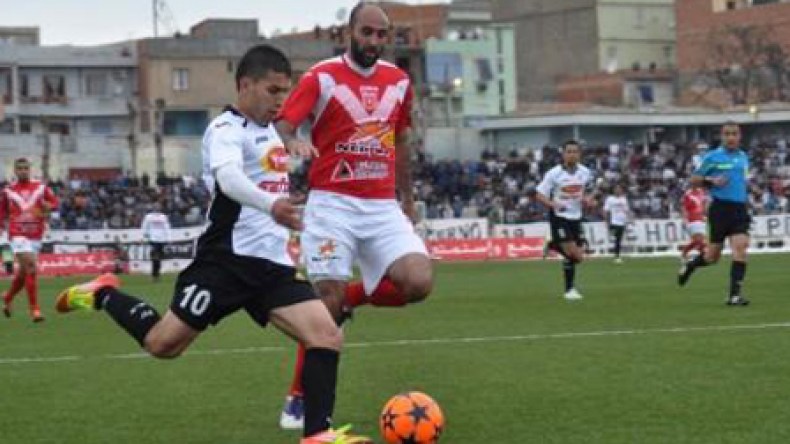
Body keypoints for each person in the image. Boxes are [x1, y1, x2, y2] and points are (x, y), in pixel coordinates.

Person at [54, 44, 371, 444]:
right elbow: (229, 180)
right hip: (226, 262)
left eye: (284, 92)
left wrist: (293, 146)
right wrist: (271, 204)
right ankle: (102, 293)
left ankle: (318, 434)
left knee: (327, 335)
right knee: (163, 344)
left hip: (272, 265)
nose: (281, 101)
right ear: (245, 84)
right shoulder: (223, 130)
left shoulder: (270, 132)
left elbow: (270, 161)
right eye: (273, 91)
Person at [274, 2, 433, 430]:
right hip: (332, 205)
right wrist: (290, 144)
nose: (375, 42)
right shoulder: (322, 76)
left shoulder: (400, 82)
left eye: (383, 35)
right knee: (325, 306)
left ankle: (354, 296)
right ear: (350, 32)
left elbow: (399, 142)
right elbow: (284, 123)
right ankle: (299, 398)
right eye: (367, 33)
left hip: (381, 206)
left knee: (418, 281)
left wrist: (408, 197)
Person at [678, 121, 751, 306]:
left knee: (740, 249)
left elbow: (741, 182)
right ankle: (691, 265)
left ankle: (734, 295)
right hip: (720, 209)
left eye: (734, 133)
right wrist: (711, 181)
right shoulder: (713, 157)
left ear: (739, 136)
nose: (731, 137)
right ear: (722, 136)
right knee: (712, 257)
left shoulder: (743, 157)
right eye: (727, 134)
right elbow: (694, 179)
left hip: (739, 209)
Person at [0, 158, 59, 322]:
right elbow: (2, 211)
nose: (23, 171)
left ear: (30, 170)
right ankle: (35, 310)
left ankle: (8, 297)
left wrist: (50, 207)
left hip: (36, 234)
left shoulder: (41, 187)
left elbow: (55, 202)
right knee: (32, 267)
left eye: (25, 168)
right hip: (17, 233)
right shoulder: (8, 190)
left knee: (24, 272)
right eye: (20, 169)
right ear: (15, 171)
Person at [535, 140, 595, 300]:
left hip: (576, 216)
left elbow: (589, 193)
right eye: (569, 151)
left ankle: (553, 245)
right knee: (572, 254)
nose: (572, 154)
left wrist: (589, 200)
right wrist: (553, 204)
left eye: (575, 151)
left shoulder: (585, 172)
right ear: (563, 154)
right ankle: (569, 290)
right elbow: (539, 195)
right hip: (559, 217)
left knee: (579, 257)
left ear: (579, 154)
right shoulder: (554, 174)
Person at [141, 204, 172, 281]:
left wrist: (168, 238)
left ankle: (156, 275)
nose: (157, 208)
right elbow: (144, 227)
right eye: (156, 207)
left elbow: (167, 228)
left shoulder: (163, 217)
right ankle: (154, 275)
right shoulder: (149, 217)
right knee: (155, 257)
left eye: (158, 207)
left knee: (159, 258)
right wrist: (143, 236)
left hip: (162, 240)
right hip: (153, 239)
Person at [679, 183, 709, 261]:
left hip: (701, 219)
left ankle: (686, 253)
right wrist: (684, 219)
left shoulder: (701, 193)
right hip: (692, 219)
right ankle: (702, 254)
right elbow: (684, 208)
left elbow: (704, 205)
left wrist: (705, 215)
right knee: (699, 240)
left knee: (698, 240)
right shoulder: (688, 195)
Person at [603, 184, 632, 264]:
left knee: (618, 239)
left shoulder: (624, 199)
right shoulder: (610, 199)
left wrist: (631, 218)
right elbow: (606, 210)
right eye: (616, 189)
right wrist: (606, 221)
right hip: (614, 221)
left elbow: (627, 210)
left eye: (619, 189)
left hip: (622, 222)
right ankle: (616, 255)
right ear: (613, 190)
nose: (618, 190)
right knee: (616, 239)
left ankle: (617, 256)